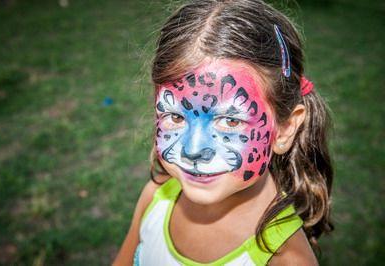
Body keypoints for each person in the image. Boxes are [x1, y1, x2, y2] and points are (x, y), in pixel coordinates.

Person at [113, 0, 333, 265]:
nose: (193, 149)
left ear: (284, 129)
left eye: (229, 121)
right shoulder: (155, 198)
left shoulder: (288, 259)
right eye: (175, 116)